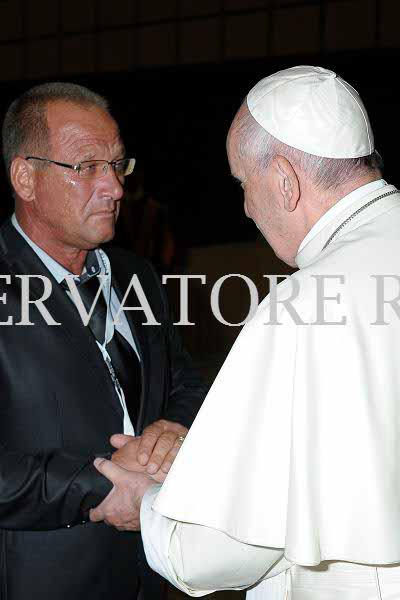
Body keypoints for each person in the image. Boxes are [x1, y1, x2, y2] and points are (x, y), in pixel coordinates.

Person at [90, 66, 400, 599]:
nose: (246, 207)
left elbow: (223, 549)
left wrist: (149, 506)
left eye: (243, 185)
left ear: (285, 178)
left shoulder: (304, 305)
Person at [0, 82, 206, 600]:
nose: (114, 187)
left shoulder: (136, 276)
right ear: (26, 177)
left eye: (118, 165)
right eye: (87, 167)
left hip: (146, 571)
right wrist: (100, 488)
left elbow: (182, 380)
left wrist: (172, 428)